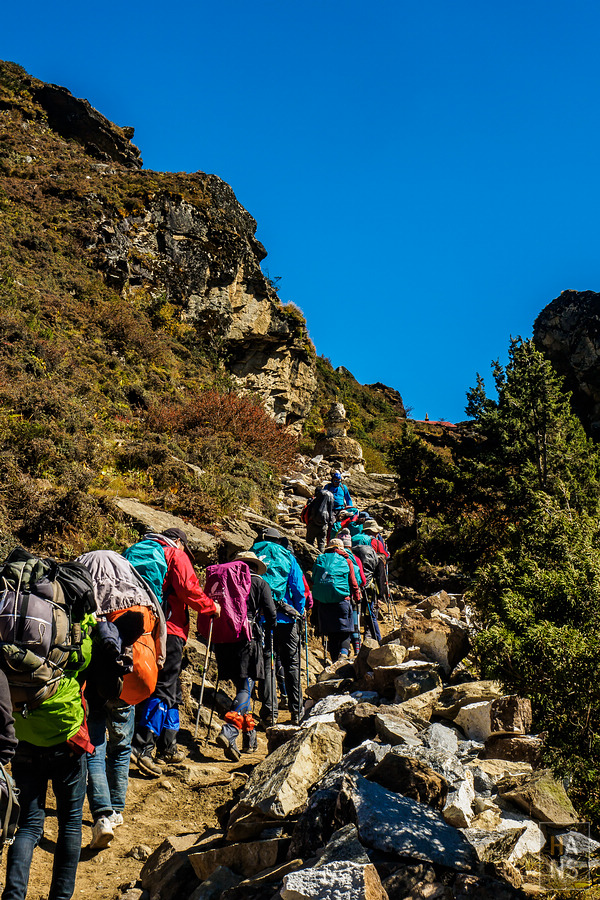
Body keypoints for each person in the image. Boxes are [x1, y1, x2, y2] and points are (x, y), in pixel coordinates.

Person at [77, 549, 166, 850]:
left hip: (97, 682)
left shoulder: (85, 588)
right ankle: (117, 810)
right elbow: (160, 638)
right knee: (122, 746)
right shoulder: (141, 590)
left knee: (96, 746)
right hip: (132, 679)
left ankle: (101, 814)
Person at [2, 614, 95, 900]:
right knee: (70, 822)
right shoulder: (72, 613)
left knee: (28, 823)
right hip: (63, 731)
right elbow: (85, 659)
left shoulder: (7, 613)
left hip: (22, 731)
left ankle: (14, 896)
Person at [130, 528, 220, 777]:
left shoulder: (138, 552)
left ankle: (168, 745)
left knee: (172, 689)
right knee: (163, 687)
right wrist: (210, 606)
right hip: (169, 629)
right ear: (179, 541)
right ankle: (142, 745)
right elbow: (188, 589)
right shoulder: (175, 555)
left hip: (140, 628)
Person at [213, 552, 277, 761]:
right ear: (254, 566)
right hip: (247, 639)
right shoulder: (259, 583)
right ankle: (230, 730)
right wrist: (269, 626)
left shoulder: (226, 579)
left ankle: (249, 740)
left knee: (243, 687)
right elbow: (271, 613)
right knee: (245, 687)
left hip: (223, 640)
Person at [251, 528, 306, 725]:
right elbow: (298, 588)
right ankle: (297, 711)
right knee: (291, 663)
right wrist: (298, 611)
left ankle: (270, 713)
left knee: (268, 663)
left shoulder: (253, 554)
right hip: (287, 619)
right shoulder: (287, 556)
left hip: (263, 619)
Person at [312, 538, 361, 663]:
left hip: (324, 602)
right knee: (345, 631)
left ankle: (334, 661)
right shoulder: (347, 560)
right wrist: (357, 597)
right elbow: (353, 582)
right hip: (342, 600)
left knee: (332, 634)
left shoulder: (320, 559)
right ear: (341, 548)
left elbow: (314, 578)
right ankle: (344, 654)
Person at [304, 487, 335, 552]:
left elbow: (307, 512)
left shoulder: (314, 501)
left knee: (309, 543)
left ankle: (307, 558)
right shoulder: (329, 500)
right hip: (323, 525)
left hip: (313, 524)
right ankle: (321, 557)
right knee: (321, 543)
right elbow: (331, 515)